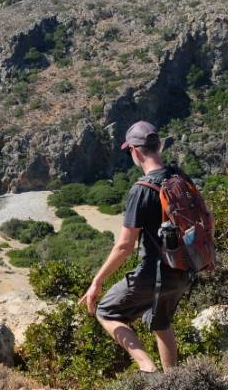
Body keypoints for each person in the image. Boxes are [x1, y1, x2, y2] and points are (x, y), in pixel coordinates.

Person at [77, 120, 192, 374]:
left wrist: (96, 282)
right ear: (158, 145)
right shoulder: (180, 177)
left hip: (155, 275)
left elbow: (124, 246)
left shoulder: (142, 190)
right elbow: (208, 218)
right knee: (161, 323)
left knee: (107, 311)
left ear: (135, 151)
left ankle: (147, 369)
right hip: (184, 270)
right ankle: (172, 381)